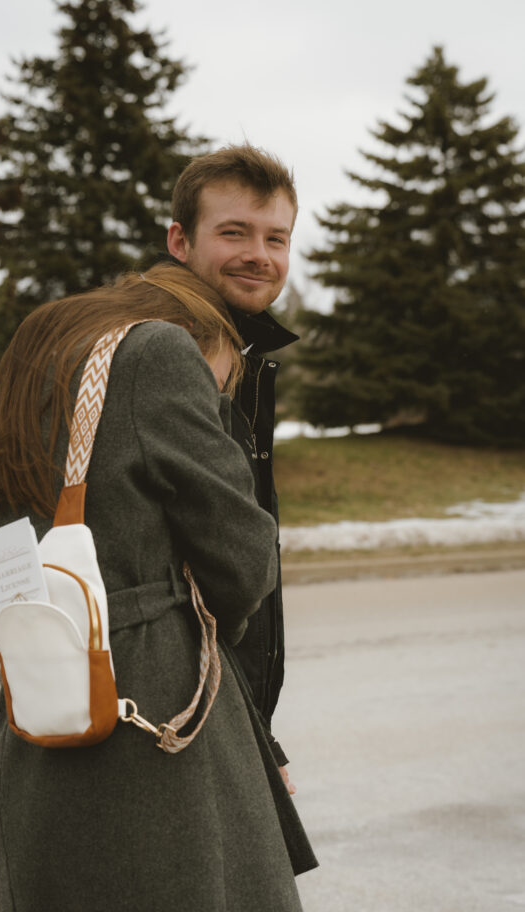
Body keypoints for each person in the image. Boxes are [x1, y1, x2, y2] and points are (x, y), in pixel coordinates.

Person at [0, 262, 330, 912]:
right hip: (155, 700)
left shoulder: (35, 345)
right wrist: (200, 628)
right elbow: (239, 548)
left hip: (37, 689)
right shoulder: (162, 349)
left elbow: (0, 529)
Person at [164, 143, 300, 790]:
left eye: (276, 237)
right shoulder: (170, 351)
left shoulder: (237, 350)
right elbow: (222, 566)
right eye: (233, 232)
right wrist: (245, 732)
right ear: (179, 240)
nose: (260, 254)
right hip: (179, 707)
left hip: (217, 704)